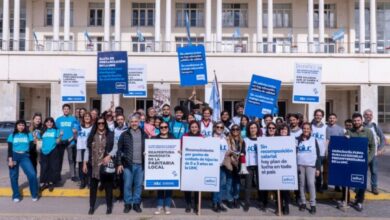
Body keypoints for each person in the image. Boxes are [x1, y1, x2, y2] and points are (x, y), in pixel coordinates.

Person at [84, 116, 115, 215]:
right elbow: (87, 149)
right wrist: (84, 163)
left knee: (108, 187)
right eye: (99, 123)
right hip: (93, 166)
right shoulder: (92, 135)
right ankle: (92, 207)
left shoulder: (110, 135)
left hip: (105, 164)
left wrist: (109, 156)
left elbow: (116, 147)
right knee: (93, 188)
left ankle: (109, 207)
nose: (101, 125)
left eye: (102, 123)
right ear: (96, 124)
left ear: (105, 124)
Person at [346, 113, 376, 212]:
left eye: (358, 120)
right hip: (352, 161)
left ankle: (359, 201)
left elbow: (372, 147)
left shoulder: (368, 132)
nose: (356, 122)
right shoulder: (349, 132)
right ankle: (354, 198)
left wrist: (368, 159)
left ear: (361, 120)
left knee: (361, 181)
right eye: (354, 121)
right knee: (353, 180)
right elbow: (344, 145)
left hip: (363, 161)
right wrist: (345, 138)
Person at [117, 115, 146, 213]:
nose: (134, 123)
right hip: (128, 164)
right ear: (129, 123)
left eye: (136, 121)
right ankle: (128, 204)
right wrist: (119, 163)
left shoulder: (144, 134)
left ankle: (136, 203)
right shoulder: (125, 134)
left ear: (139, 122)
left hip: (140, 164)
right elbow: (119, 150)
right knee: (127, 185)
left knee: (138, 185)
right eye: (132, 122)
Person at [7, 120, 39, 202]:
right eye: (19, 125)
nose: (21, 126)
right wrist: (10, 160)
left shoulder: (28, 135)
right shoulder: (12, 135)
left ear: (25, 126)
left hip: (24, 156)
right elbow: (9, 149)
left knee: (32, 174)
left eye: (22, 125)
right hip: (14, 156)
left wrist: (34, 142)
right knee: (13, 176)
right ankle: (16, 195)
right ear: (16, 126)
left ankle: (34, 194)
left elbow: (32, 147)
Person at [297, 122, 321, 214]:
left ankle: (313, 204)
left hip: (311, 165)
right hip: (300, 165)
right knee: (302, 184)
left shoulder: (314, 139)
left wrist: (318, 168)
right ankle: (303, 202)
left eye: (308, 128)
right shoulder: (298, 139)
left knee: (311, 184)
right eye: (304, 128)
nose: (306, 130)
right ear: (302, 129)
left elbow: (318, 154)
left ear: (311, 130)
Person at [153, 121, 175, 215]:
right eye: (161, 127)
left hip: (170, 166)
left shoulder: (173, 138)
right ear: (159, 128)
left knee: (169, 187)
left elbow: (176, 150)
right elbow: (152, 150)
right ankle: (159, 205)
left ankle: (167, 206)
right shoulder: (155, 139)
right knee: (160, 186)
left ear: (168, 128)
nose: (163, 129)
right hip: (159, 166)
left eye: (165, 127)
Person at [363, 109, 386, 195]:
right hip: (363, 154)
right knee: (362, 171)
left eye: (370, 115)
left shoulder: (375, 126)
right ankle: (361, 187)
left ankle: (374, 187)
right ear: (364, 116)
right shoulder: (361, 125)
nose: (368, 116)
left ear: (372, 116)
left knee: (374, 171)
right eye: (366, 114)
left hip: (374, 154)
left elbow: (383, 139)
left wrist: (380, 149)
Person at [182, 121, 203, 214]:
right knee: (187, 186)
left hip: (198, 165)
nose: (194, 128)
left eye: (195, 127)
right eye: (192, 127)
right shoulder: (185, 136)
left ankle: (196, 206)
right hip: (187, 164)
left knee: (197, 186)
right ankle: (188, 205)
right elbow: (181, 147)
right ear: (189, 128)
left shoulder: (201, 137)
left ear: (198, 128)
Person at [56, 104, 78, 182]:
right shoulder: (58, 120)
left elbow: (76, 130)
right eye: (64, 109)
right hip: (61, 142)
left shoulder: (73, 119)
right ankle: (57, 175)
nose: (66, 110)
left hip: (70, 142)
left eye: (67, 109)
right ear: (62, 110)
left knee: (71, 159)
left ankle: (73, 175)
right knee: (59, 160)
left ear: (69, 110)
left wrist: (73, 136)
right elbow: (56, 131)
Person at [38, 117, 62, 192]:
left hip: (53, 150)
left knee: (52, 167)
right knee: (44, 167)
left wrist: (60, 136)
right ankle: (44, 183)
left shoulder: (56, 130)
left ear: (53, 123)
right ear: (45, 123)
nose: (49, 123)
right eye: (47, 122)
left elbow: (58, 142)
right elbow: (39, 142)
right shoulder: (42, 131)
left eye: (51, 122)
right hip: (43, 151)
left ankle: (51, 183)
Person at [224, 124, 244, 209]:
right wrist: (232, 153)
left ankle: (236, 198)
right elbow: (226, 150)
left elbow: (244, 152)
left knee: (237, 183)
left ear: (239, 131)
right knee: (229, 182)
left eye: (237, 129)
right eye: (233, 129)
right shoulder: (227, 139)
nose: (235, 131)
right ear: (231, 131)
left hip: (239, 164)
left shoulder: (242, 140)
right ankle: (230, 199)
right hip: (230, 163)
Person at [243, 122, 262, 212]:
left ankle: (261, 202)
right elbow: (243, 153)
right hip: (249, 164)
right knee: (248, 185)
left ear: (257, 129)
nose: (253, 129)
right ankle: (247, 203)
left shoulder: (261, 139)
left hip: (260, 165)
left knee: (260, 184)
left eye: (254, 127)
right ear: (248, 129)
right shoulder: (245, 140)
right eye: (251, 128)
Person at [109, 114, 127, 201]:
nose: (120, 121)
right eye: (118, 119)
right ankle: (121, 194)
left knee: (126, 177)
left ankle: (126, 194)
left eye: (121, 119)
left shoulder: (128, 130)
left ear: (124, 120)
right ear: (116, 121)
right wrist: (110, 154)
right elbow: (114, 145)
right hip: (117, 156)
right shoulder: (114, 131)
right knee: (119, 177)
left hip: (126, 157)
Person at [326, 113, 345, 194]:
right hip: (328, 151)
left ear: (336, 119)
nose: (332, 119)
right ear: (328, 119)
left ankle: (337, 185)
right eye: (330, 118)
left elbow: (342, 141)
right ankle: (325, 184)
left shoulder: (340, 129)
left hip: (337, 152)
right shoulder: (325, 128)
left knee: (337, 169)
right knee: (327, 169)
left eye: (333, 118)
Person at [211, 121, 228, 213]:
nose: (219, 129)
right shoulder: (210, 138)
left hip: (223, 165)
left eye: (221, 127)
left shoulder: (225, 138)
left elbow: (226, 151)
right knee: (215, 185)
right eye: (218, 127)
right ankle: (215, 203)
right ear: (214, 127)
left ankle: (220, 202)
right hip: (214, 165)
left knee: (222, 185)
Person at [276, 123, 292, 215]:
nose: (283, 131)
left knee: (286, 188)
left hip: (288, 167)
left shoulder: (291, 140)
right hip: (277, 166)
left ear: (287, 131)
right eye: (281, 129)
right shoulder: (275, 140)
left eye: (285, 129)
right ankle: (279, 205)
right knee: (278, 187)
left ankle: (286, 205)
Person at [75, 112, 93, 189]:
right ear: (83, 118)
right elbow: (75, 137)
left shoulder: (93, 127)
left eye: (88, 116)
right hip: (80, 148)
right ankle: (82, 181)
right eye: (85, 116)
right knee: (80, 165)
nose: (87, 117)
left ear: (90, 118)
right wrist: (74, 133)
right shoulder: (79, 127)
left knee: (89, 165)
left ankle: (89, 181)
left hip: (89, 148)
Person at [311, 109, 327, 193]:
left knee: (318, 171)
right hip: (310, 152)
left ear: (322, 117)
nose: (318, 116)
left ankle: (318, 187)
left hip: (321, 152)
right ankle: (309, 187)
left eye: (320, 115)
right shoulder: (310, 126)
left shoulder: (325, 127)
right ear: (314, 116)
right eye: (317, 115)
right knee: (310, 171)